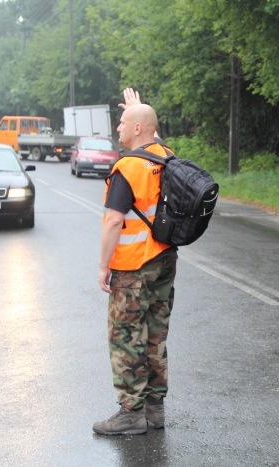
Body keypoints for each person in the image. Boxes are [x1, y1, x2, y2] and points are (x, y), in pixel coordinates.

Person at [93, 88, 178, 436]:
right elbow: (152, 133)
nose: (118, 127)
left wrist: (103, 266)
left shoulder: (127, 168)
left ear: (139, 129)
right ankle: (155, 409)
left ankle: (131, 412)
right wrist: (137, 109)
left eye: (123, 122)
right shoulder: (166, 156)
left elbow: (114, 221)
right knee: (156, 334)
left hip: (132, 267)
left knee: (127, 336)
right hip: (165, 260)